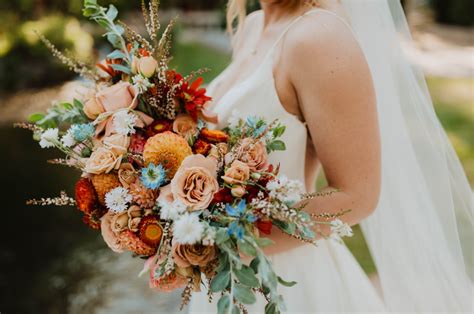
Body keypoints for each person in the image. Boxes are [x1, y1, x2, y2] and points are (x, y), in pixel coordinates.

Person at [189, 0, 473, 312]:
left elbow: (358, 194)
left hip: (287, 283)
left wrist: (229, 239)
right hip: (225, 281)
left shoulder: (319, 37)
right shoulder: (254, 25)